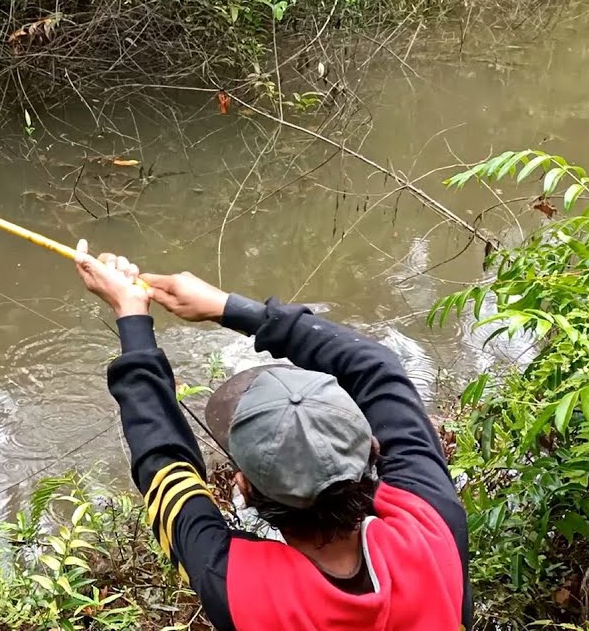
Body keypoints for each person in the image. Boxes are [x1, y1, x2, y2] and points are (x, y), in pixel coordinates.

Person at [72, 239, 471, 631]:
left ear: (243, 488)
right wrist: (228, 307)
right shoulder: (433, 526)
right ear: (373, 449)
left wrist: (132, 314)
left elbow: (166, 474)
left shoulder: (241, 591)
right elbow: (376, 367)